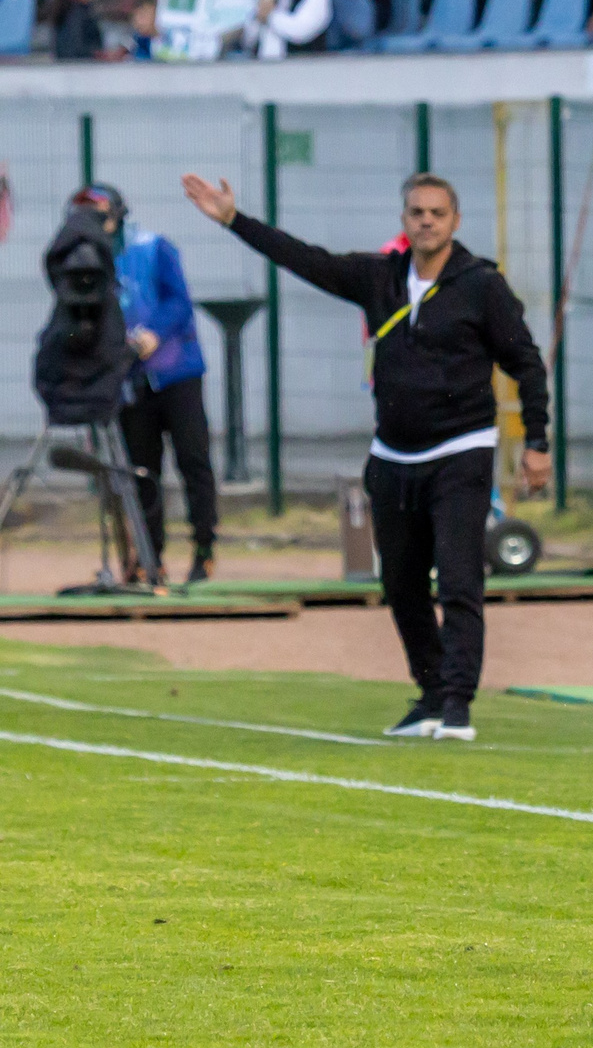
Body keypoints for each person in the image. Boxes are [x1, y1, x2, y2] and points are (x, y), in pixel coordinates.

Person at [177, 170, 549, 740]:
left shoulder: (481, 286)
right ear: (403, 222)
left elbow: (526, 361)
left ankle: (456, 706)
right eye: (416, 212)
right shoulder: (378, 278)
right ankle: (427, 695)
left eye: (437, 213)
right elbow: (305, 259)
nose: (426, 221)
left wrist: (538, 444)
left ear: (455, 222)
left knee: (457, 580)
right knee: (400, 584)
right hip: (393, 457)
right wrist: (233, 220)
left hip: (462, 450)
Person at [65, 186, 218, 583]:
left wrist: (154, 333)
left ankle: (204, 548)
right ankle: (152, 558)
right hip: (130, 383)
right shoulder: (85, 261)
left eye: (99, 213)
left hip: (177, 374)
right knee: (142, 471)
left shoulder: (153, 247)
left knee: (193, 460)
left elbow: (180, 302)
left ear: (116, 214)